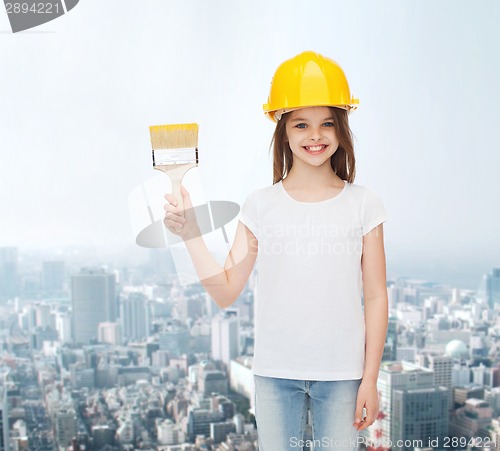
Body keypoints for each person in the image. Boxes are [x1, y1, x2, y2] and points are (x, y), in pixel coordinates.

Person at [163, 51, 389, 450]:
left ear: (341, 130)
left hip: (343, 374)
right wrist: (191, 233)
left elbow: (375, 296)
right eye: (301, 124)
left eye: (327, 124)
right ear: (283, 130)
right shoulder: (260, 205)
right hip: (273, 374)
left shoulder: (364, 204)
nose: (315, 136)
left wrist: (370, 378)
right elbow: (226, 289)